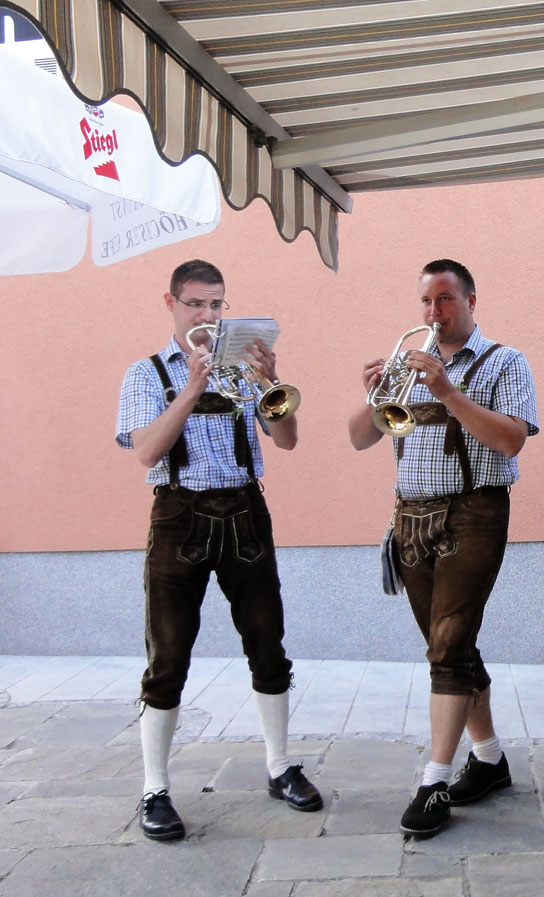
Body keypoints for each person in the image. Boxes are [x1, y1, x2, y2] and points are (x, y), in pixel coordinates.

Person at [116, 259, 321, 843]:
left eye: (217, 305)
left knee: (267, 640)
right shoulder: (146, 372)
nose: (208, 316)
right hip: (179, 514)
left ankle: (280, 766)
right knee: (168, 655)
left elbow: (287, 439)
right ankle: (155, 787)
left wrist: (267, 384)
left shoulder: (240, 367)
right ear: (172, 303)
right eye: (197, 304)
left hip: (245, 512)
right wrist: (191, 390)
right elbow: (146, 450)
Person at [349, 259, 539, 837]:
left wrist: (448, 390)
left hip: (475, 512)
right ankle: (489, 759)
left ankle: (434, 780)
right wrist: (374, 394)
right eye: (426, 302)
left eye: (445, 300)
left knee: (449, 642)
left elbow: (511, 440)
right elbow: (359, 437)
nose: (434, 313)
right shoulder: (407, 369)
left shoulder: (506, 361)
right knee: (447, 644)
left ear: (471, 300)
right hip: (411, 517)